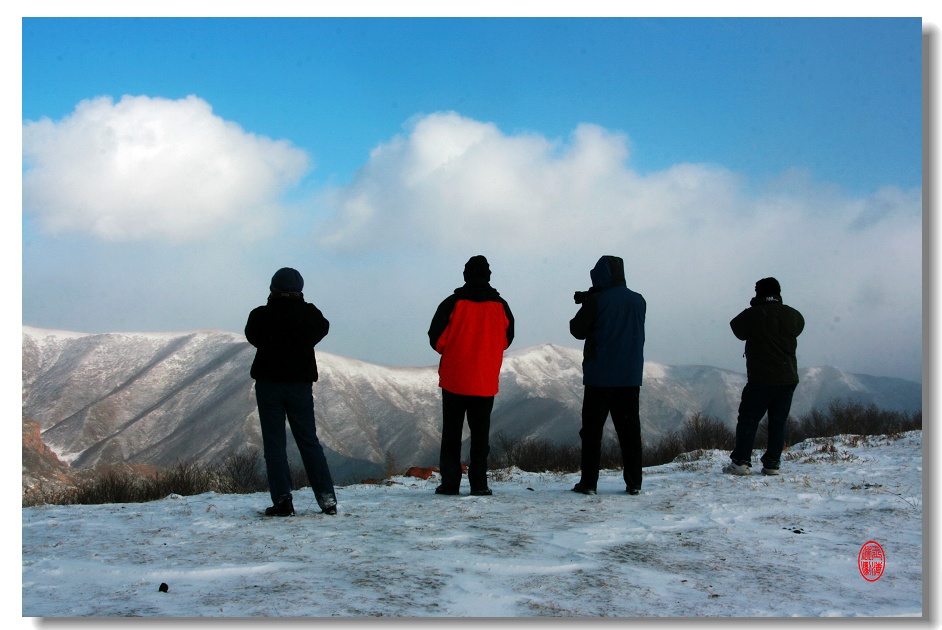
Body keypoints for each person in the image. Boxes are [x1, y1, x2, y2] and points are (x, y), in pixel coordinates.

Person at [245, 267, 338, 516]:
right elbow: (323, 327)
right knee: (309, 441)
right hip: (300, 385)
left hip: (269, 385)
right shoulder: (309, 315)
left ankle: (283, 501)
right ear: (300, 290)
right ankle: (327, 499)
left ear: (273, 288)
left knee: (274, 444)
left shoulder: (260, 316)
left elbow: (252, 336)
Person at [428, 255, 514, 496]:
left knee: (452, 435)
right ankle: (479, 484)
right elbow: (506, 339)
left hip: (455, 379)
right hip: (485, 381)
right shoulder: (501, 306)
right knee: (480, 436)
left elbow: (436, 338)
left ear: (466, 275)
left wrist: (456, 349)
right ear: (488, 276)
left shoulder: (452, 303)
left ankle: (450, 483)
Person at [569, 255, 646, 496]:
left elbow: (577, 329)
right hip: (630, 377)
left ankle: (589, 482)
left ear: (600, 276)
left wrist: (588, 302)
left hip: (599, 378)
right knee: (630, 432)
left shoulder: (597, 301)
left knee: (592, 433)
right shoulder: (639, 301)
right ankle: (634, 482)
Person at [724, 277, 805, 476]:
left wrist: (755, 307)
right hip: (788, 377)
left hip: (761, 378)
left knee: (749, 419)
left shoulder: (754, 315)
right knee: (778, 421)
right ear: (778, 293)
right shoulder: (793, 315)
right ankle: (772, 464)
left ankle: (741, 462)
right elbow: (799, 327)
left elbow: (736, 327)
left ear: (758, 293)